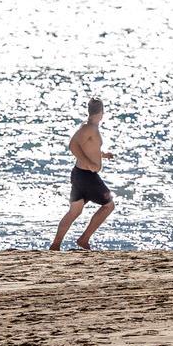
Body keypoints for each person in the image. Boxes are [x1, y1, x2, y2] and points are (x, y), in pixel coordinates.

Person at [50, 97, 116, 251]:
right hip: (87, 176)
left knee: (75, 211)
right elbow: (73, 145)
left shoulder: (91, 127)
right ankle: (84, 239)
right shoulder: (89, 128)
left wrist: (102, 155)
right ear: (101, 112)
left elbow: (88, 148)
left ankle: (55, 245)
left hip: (80, 175)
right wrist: (87, 162)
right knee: (108, 205)